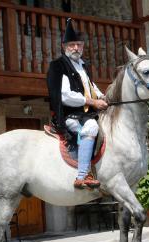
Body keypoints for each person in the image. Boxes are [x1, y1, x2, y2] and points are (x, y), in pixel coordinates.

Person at [47, 18, 108, 189]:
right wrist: (92, 101)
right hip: (68, 115)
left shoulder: (83, 66)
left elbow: (90, 86)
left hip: (85, 113)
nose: (76, 48)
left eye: (79, 45)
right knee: (91, 128)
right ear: (64, 46)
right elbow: (65, 95)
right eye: (72, 44)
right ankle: (82, 176)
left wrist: (103, 97)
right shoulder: (59, 66)